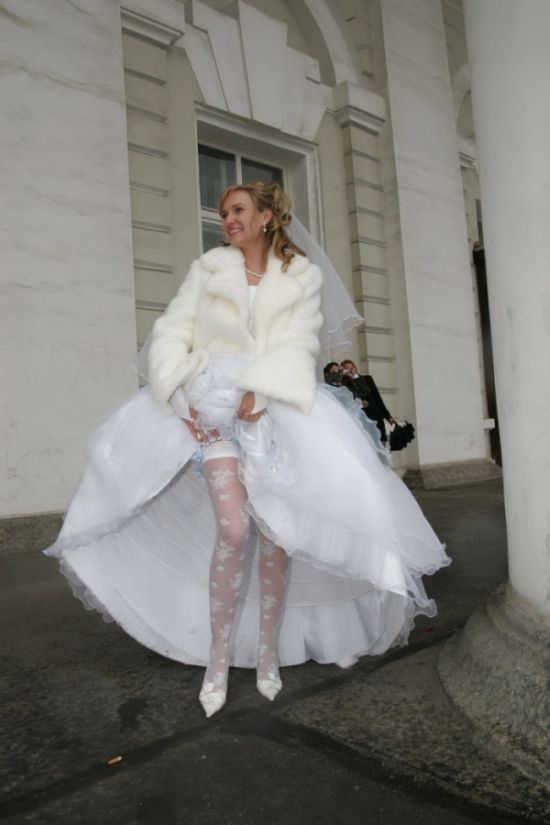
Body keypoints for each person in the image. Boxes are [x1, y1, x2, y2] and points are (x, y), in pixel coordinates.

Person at [45, 182, 450, 719]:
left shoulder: (299, 275)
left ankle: (265, 656)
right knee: (234, 531)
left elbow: (300, 343)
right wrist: (178, 395)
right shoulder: (210, 270)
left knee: (276, 535)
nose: (228, 219)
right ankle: (216, 661)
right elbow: (171, 333)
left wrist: (263, 393)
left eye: (237, 210)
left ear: (264, 216)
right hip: (210, 409)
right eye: (222, 213)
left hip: (275, 411)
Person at [341, 359, 396, 443]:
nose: (351, 371)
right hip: (362, 420)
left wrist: (388, 416)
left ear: (355, 368)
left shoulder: (367, 379)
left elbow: (377, 398)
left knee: (381, 443)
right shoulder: (345, 384)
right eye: (347, 370)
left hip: (376, 416)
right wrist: (349, 380)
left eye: (351, 368)